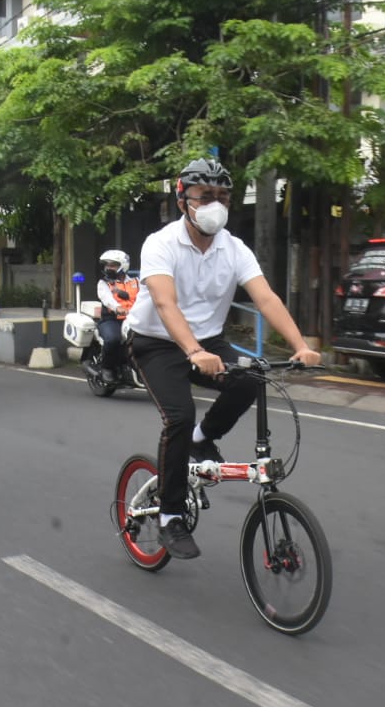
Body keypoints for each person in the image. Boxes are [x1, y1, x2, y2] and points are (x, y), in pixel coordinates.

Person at [125, 158, 320, 560]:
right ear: (184, 202)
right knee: (178, 417)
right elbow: (165, 302)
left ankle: (202, 439)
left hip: (208, 340)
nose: (216, 204)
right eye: (205, 196)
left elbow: (265, 298)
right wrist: (193, 351)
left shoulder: (234, 249)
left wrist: (300, 345)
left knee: (250, 380)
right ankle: (170, 516)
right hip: (155, 341)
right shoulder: (161, 243)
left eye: (223, 197)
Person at [95, 249, 138, 383]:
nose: (108, 268)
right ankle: (107, 368)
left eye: (112, 265)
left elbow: (146, 298)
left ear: (123, 266)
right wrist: (117, 308)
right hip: (111, 320)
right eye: (107, 265)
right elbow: (107, 298)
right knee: (113, 339)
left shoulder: (136, 282)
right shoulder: (104, 283)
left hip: (133, 319)